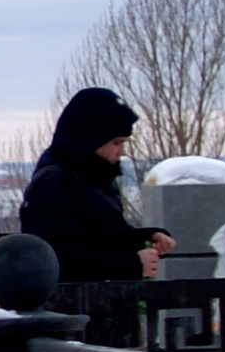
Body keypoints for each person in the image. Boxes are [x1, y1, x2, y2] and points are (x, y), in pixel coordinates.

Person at [20, 86, 172, 286]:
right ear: (91, 140)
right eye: (116, 143)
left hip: (97, 308)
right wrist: (133, 264)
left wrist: (147, 237)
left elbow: (105, 235)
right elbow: (62, 262)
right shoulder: (56, 186)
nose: (122, 152)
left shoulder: (92, 177)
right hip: (74, 311)